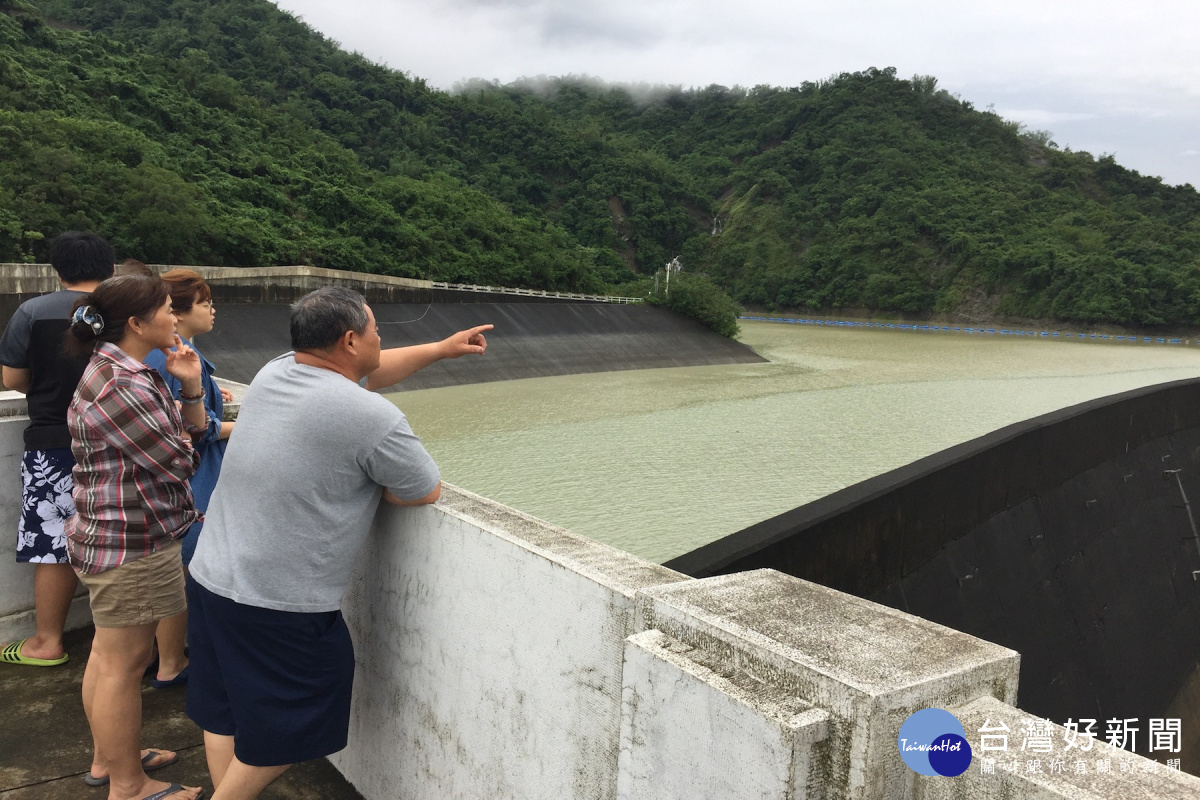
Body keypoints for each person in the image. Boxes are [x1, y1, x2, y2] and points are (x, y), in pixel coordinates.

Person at [185, 286, 490, 799]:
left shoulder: (274, 372)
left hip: (211, 573)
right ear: (351, 340)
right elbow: (423, 490)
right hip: (278, 603)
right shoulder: (373, 419)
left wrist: (440, 348)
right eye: (376, 331)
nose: (380, 339)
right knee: (294, 724)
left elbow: (366, 373)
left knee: (226, 710)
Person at [65, 274, 206, 800]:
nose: (174, 317)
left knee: (107, 656)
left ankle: (109, 759)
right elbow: (180, 462)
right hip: (132, 541)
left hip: (110, 533)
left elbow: (174, 447)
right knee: (123, 666)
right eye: (169, 309)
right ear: (137, 323)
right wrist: (190, 403)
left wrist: (188, 386)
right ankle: (129, 784)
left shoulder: (116, 369)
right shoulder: (123, 384)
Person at [0, 232, 113, 668]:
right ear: (110, 268)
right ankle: (121, 643)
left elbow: (12, 380)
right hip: (118, 440)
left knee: (52, 541)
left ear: (58, 269)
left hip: (54, 442)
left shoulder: (32, 311)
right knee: (123, 535)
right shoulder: (125, 312)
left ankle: (47, 643)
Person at [142, 269, 234, 689]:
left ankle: (162, 658)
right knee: (179, 574)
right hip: (189, 481)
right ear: (175, 313)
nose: (212, 309)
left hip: (186, 479)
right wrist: (243, 427)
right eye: (204, 302)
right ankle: (171, 664)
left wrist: (214, 392)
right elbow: (187, 425)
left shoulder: (174, 352)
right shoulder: (165, 356)